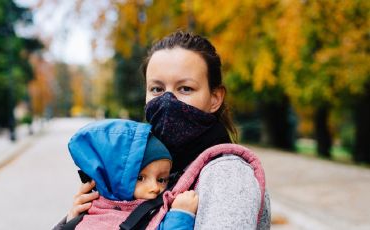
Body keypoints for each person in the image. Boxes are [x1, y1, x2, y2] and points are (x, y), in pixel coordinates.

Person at [60, 31, 271, 229]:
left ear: (214, 98)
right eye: (157, 89)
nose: (167, 101)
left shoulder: (227, 174)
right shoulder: (144, 166)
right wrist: (77, 220)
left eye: (185, 88)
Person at [55, 119, 198, 229]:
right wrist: (181, 216)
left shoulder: (159, 207)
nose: (155, 187)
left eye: (161, 179)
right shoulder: (95, 221)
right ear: (113, 180)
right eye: (140, 178)